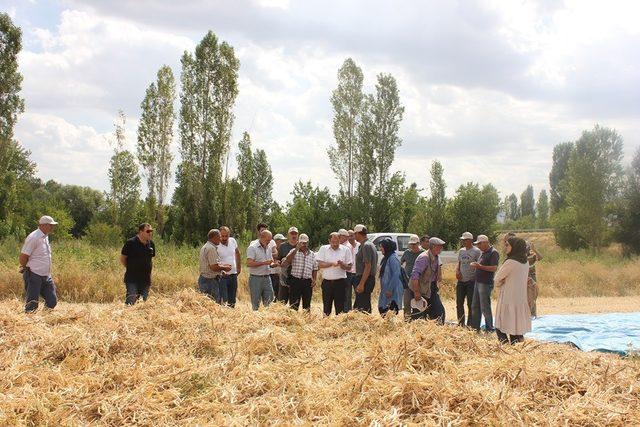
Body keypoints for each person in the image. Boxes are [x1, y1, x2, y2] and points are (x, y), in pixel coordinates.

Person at [494, 237, 532, 344]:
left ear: (514, 247)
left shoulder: (510, 262)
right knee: (515, 327)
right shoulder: (525, 262)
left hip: (508, 297)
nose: (505, 247)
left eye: (507, 245)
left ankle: (505, 347)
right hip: (519, 298)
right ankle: (514, 350)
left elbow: (497, 279)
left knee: (500, 326)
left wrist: (501, 282)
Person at [19, 215, 59, 312]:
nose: (52, 227)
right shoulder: (34, 237)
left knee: (52, 301)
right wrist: (25, 267)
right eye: (51, 225)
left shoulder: (45, 236)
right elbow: (23, 256)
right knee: (32, 303)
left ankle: (44, 320)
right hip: (34, 274)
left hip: (46, 275)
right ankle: (29, 324)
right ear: (43, 225)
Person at [409, 237, 446, 324]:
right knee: (419, 314)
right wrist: (416, 292)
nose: (441, 248)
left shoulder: (436, 257)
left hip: (430, 288)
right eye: (439, 246)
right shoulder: (423, 257)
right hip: (420, 288)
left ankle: (438, 333)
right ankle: (417, 333)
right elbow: (414, 276)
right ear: (433, 246)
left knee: (439, 312)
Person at [317, 232, 352, 316]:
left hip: (340, 282)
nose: (335, 244)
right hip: (327, 283)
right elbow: (320, 265)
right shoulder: (323, 249)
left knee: (340, 308)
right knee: (326, 307)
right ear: (329, 240)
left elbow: (349, 267)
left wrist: (342, 264)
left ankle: (339, 327)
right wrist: (332, 264)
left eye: (337, 242)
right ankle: (326, 326)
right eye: (333, 242)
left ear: (340, 240)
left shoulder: (346, 250)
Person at [120, 223, 156, 305]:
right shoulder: (130, 243)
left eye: (151, 231)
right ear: (141, 232)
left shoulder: (151, 244)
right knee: (131, 302)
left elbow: (151, 260)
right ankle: (128, 317)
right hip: (132, 279)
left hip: (146, 279)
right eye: (148, 231)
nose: (150, 233)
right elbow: (122, 259)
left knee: (143, 304)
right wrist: (130, 267)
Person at [469, 234, 500, 332]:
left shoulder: (493, 252)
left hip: (486, 283)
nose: (478, 246)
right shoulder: (483, 252)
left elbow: (494, 268)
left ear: (486, 242)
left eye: (479, 244)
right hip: (478, 282)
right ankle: (475, 327)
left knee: (485, 306)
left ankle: (489, 328)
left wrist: (479, 267)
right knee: (475, 305)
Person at [282, 233, 317, 312]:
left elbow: (315, 268)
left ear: (308, 243)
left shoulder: (312, 254)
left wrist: (314, 279)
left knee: (307, 304)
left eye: (305, 243)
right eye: (302, 243)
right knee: (294, 303)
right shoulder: (293, 251)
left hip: (307, 282)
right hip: (295, 280)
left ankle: (307, 321)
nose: (303, 244)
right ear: (298, 242)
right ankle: (294, 320)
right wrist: (296, 249)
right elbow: (288, 260)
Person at [246, 229, 278, 310]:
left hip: (267, 278)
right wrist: (264, 263)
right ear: (262, 237)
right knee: (255, 303)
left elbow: (270, 263)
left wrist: (274, 264)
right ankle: (256, 321)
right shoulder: (252, 248)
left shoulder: (268, 247)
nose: (269, 242)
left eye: (270, 240)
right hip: (255, 279)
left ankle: (267, 319)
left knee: (270, 302)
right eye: (268, 240)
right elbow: (249, 263)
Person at [455, 232, 482, 327]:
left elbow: (479, 265)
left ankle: (470, 324)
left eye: (465, 240)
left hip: (471, 281)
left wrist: (475, 276)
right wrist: (457, 271)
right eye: (462, 240)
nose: (463, 241)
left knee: (470, 304)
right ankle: (461, 323)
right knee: (459, 303)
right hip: (461, 281)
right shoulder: (461, 251)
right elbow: (459, 262)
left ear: (470, 240)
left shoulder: (477, 251)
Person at [198, 229, 231, 300]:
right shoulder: (211, 249)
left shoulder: (206, 246)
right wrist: (225, 268)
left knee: (205, 303)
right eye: (219, 237)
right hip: (210, 281)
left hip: (205, 279)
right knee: (213, 304)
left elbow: (210, 265)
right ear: (214, 237)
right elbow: (213, 267)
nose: (221, 239)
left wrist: (221, 272)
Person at [353, 224, 378, 313]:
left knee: (362, 308)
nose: (354, 236)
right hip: (366, 278)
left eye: (355, 234)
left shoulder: (366, 245)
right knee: (360, 306)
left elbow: (368, 266)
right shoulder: (368, 244)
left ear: (358, 234)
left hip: (365, 279)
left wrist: (361, 284)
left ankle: (365, 325)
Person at [378, 239, 404, 315]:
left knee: (390, 311)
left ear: (387, 247)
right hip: (386, 290)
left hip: (393, 290)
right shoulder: (386, 257)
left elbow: (396, 274)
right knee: (383, 309)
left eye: (382, 247)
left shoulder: (393, 258)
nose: (380, 249)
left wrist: (390, 289)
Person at [217, 226, 242, 307]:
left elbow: (237, 253)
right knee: (223, 300)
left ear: (229, 235)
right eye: (222, 236)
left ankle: (231, 316)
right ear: (219, 235)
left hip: (233, 274)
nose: (224, 238)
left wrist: (239, 267)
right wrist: (221, 271)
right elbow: (214, 262)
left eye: (226, 236)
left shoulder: (233, 241)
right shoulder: (216, 245)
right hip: (222, 276)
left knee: (232, 299)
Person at [400, 235, 424, 319]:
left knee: (418, 303)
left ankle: (417, 320)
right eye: (411, 244)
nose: (413, 246)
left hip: (418, 282)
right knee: (406, 303)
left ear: (418, 243)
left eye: (414, 244)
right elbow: (400, 263)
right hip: (407, 282)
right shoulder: (407, 253)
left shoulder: (423, 253)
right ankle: (407, 321)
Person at [275, 226, 299, 304]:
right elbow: (278, 258)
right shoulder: (283, 246)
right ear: (288, 235)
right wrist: (279, 262)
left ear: (298, 235)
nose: (294, 235)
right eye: (292, 233)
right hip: (284, 276)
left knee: (294, 302)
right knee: (282, 301)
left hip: (296, 276)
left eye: (295, 233)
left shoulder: (301, 246)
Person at [345, 229, 360, 312]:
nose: (350, 237)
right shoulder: (345, 247)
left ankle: (356, 311)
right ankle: (348, 312)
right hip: (348, 273)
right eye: (348, 236)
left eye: (351, 235)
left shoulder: (360, 246)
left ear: (355, 236)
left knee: (358, 294)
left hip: (357, 273)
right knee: (347, 295)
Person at [526, 241, 543, 317]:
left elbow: (540, 258)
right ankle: (526, 314)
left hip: (532, 276)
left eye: (528, 246)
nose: (527, 248)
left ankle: (533, 314)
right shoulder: (520, 255)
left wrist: (534, 249)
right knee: (525, 296)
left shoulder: (532, 254)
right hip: (523, 277)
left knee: (533, 295)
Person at [271, 233, 287, 299]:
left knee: (279, 294)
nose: (283, 242)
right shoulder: (270, 250)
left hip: (280, 275)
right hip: (272, 274)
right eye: (282, 241)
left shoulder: (282, 250)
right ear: (276, 241)